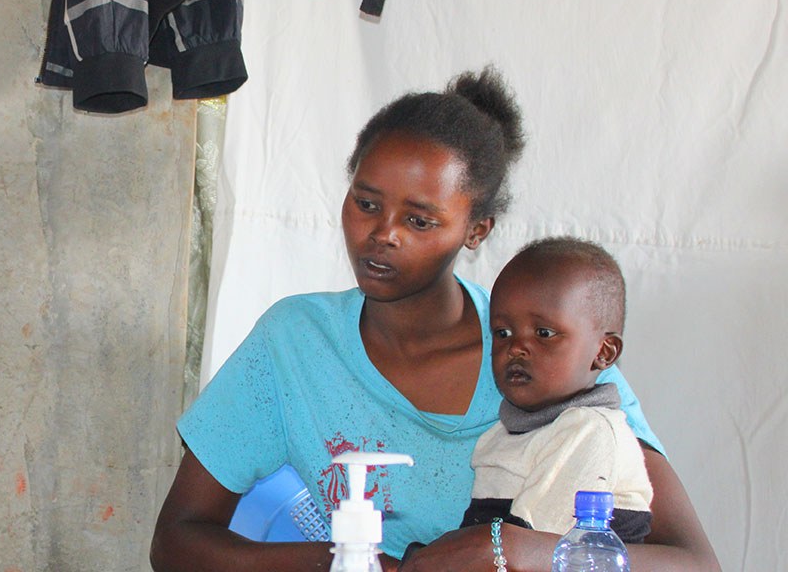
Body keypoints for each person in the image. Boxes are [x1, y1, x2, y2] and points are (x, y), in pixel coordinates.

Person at [149, 69, 720, 571]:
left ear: (476, 231)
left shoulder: (544, 350)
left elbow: (692, 562)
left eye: (420, 221)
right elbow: (177, 541)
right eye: (367, 203)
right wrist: (348, 561)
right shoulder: (294, 344)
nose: (383, 233)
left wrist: (510, 552)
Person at [456, 237, 652, 544]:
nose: (516, 348)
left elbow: (526, 546)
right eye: (503, 333)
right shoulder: (500, 436)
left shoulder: (592, 432)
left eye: (544, 333)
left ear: (604, 352)